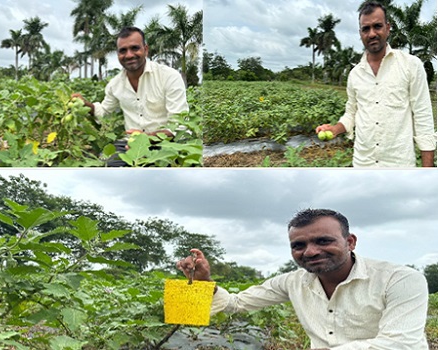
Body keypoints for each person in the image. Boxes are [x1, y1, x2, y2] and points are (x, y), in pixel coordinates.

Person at [177, 208, 429, 349]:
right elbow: (235, 304)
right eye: (299, 245)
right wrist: (201, 282)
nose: (310, 251)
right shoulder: (292, 282)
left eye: (323, 241)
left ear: (350, 242)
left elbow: (399, 345)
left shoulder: (400, 279)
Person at [315, 2, 436, 167]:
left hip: (399, 166)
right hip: (362, 164)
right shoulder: (355, 75)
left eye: (377, 26)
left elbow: (424, 120)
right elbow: (351, 113)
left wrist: (427, 174)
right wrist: (335, 129)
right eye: (366, 29)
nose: (372, 33)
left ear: (387, 28)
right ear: (360, 33)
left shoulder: (410, 65)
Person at [72, 26, 189, 166]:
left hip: (166, 143)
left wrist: (146, 139)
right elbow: (104, 112)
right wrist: (85, 104)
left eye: (135, 48)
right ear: (118, 54)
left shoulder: (168, 77)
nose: (128, 55)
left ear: (146, 49)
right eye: (123, 50)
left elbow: (178, 125)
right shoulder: (115, 84)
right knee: (103, 162)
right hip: (129, 144)